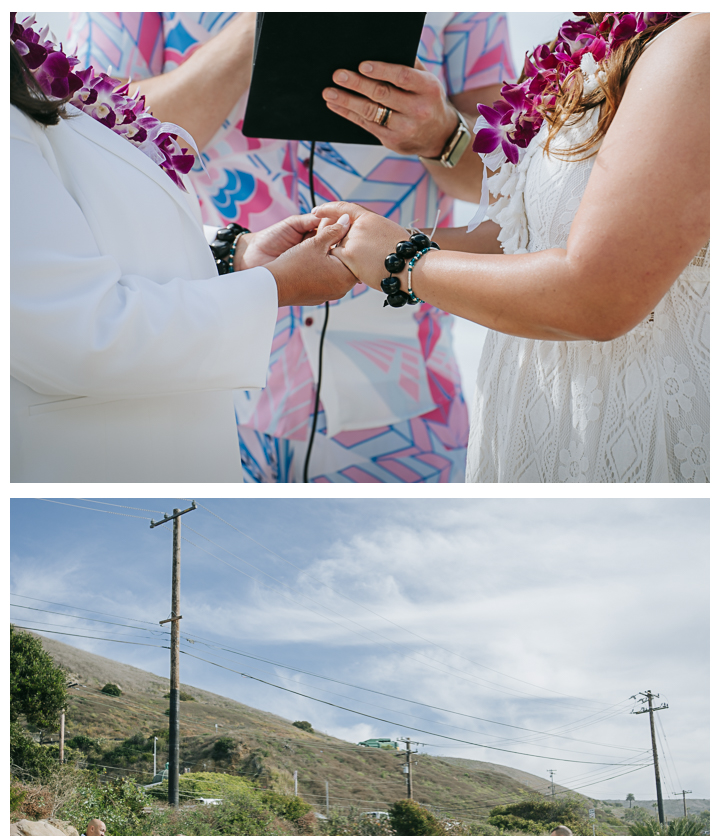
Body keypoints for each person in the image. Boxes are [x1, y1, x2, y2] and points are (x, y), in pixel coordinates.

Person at [68, 12, 515, 484]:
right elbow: (95, 148)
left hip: (406, 410)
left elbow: (511, 183)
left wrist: (443, 133)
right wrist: (255, 25)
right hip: (197, 386)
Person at [316, 12, 710, 484]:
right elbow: (512, 240)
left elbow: (601, 297)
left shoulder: (698, 44)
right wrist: (342, 245)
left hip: (639, 416)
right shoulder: (575, 53)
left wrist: (400, 262)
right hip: (527, 416)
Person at [10, 19, 354, 482]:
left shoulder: (24, 60)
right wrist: (275, 285)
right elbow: (74, 332)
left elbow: (73, 227)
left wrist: (235, 255)